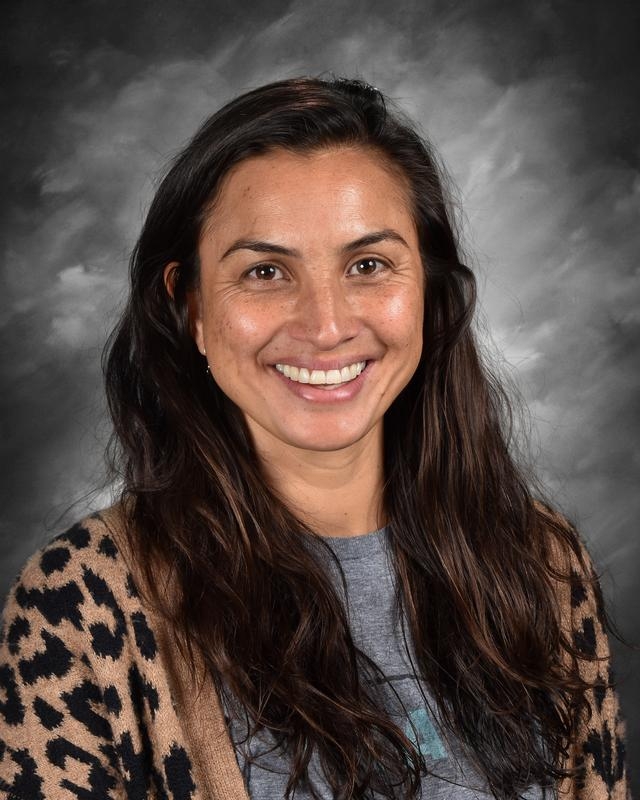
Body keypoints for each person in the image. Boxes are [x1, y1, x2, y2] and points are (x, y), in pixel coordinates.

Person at [0, 77, 628, 800]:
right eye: (266, 271)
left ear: (427, 290)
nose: (327, 326)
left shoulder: (542, 564)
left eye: (368, 265)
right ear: (190, 307)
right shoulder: (79, 607)